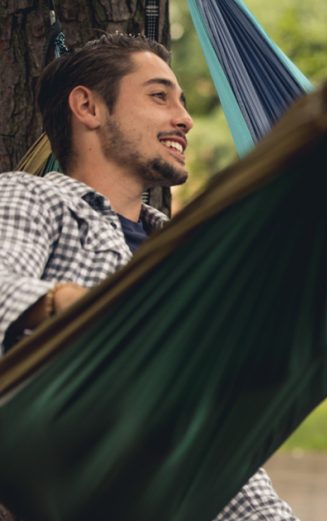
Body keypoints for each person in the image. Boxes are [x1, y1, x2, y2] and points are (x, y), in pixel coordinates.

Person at [0, 34, 296, 520]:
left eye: (181, 101)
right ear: (88, 107)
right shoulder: (31, 200)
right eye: (160, 96)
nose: (185, 118)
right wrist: (75, 306)